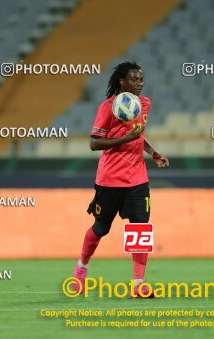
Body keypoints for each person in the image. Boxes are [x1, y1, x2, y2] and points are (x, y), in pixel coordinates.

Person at [72, 61, 169, 297]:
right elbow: (94, 143)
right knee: (101, 228)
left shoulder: (144, 104)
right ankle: (81, 268)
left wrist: (152, 152)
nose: (139, 84)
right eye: (134, 79)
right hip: (110, 179)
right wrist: (125, 138)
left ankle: (138, 285)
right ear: (121, 81)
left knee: (140, 229)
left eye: (141, 79)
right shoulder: (107, 108)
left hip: (137, 177)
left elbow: (139, 135)